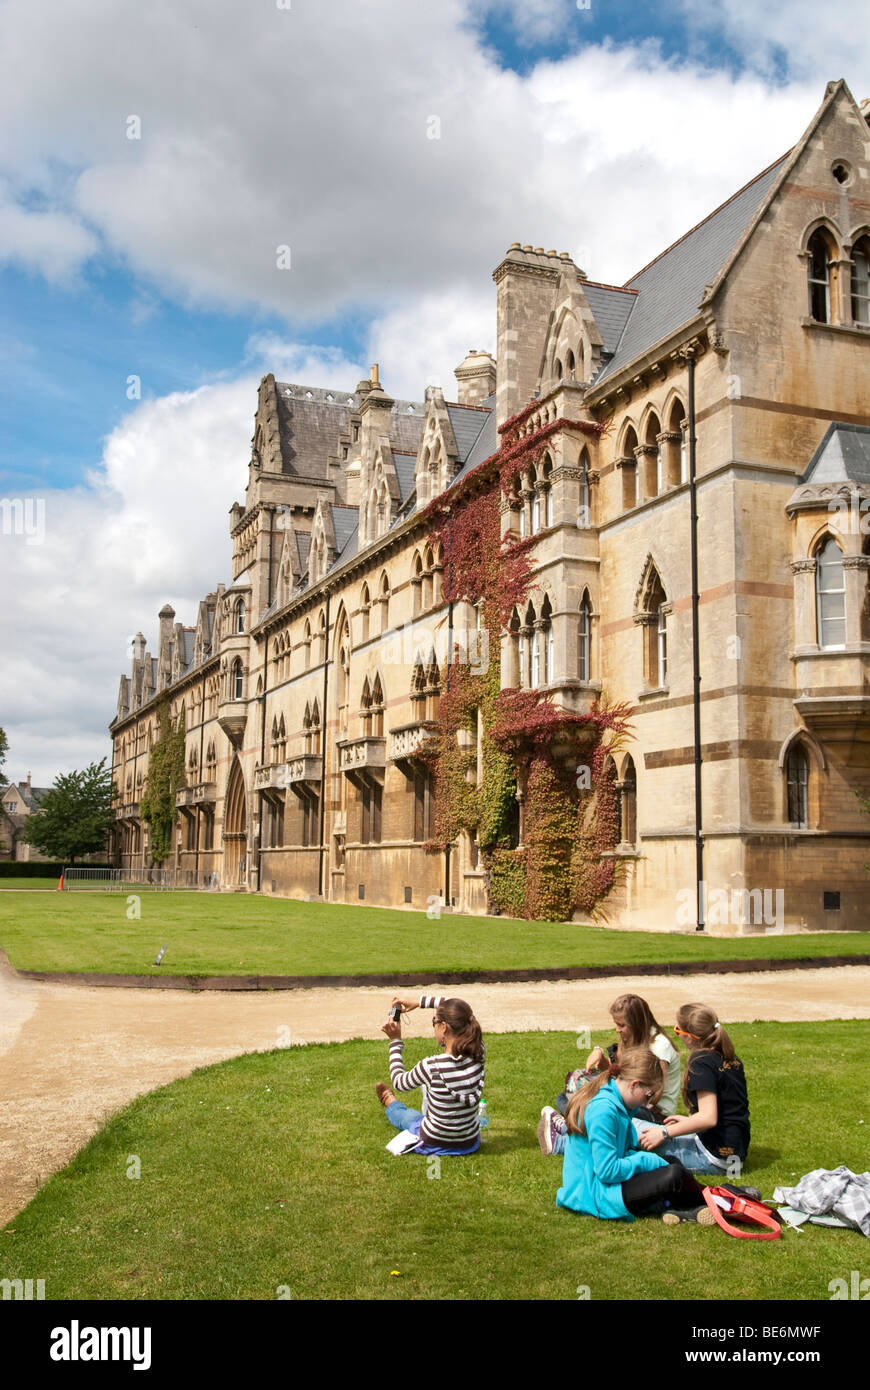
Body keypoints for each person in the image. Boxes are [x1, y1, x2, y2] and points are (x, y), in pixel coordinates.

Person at [556, 1046, 714, 1225]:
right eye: (649, 1095)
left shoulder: (617, 1101)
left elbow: (623, 1154)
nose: (648, 1103)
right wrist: (647, 1161)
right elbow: (607, 1172)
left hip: (604, 1187)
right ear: (634, 1085)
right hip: (593, 1195)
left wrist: (648, 1161)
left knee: (671, 1163)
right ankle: (714, 1202)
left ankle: (698, 1203)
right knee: (673, 1175)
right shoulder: (603, 1111)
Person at [539, 992, 680, 1154]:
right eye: (616, 1024)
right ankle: (571, 1125)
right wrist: (603, 1061)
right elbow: (619, 1073)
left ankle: (565, 1130)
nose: (617, 1030)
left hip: (653, 1112)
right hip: (632, 1098)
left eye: (622, 1025)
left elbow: (654, 1095)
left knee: (593, 1103)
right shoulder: (632, 1039)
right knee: (565, 1096)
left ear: (637, 1024)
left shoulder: (660, 1046)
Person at [635, 1003, 750, 1175]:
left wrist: (664, 1133)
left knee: (628, 1125)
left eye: (678, 1031)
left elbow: (708, 1118)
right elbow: (727, 1111)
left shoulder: (701, 1062)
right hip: (734, 1153)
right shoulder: (730, 1058)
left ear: (689, 1037)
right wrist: (688, 1121)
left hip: (714, 1158)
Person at [375, 993, 485, 1156]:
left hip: (434, 1141)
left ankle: (389, 1101)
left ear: (444, 1027)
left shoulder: (432, 1066)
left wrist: (395, 1041)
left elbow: (399, 1082)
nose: (433, 1026)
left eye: (434, 1022)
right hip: (468, 1142)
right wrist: (418, 1002)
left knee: (410, 1118)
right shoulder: (479, 1051)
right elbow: (461, 1008)